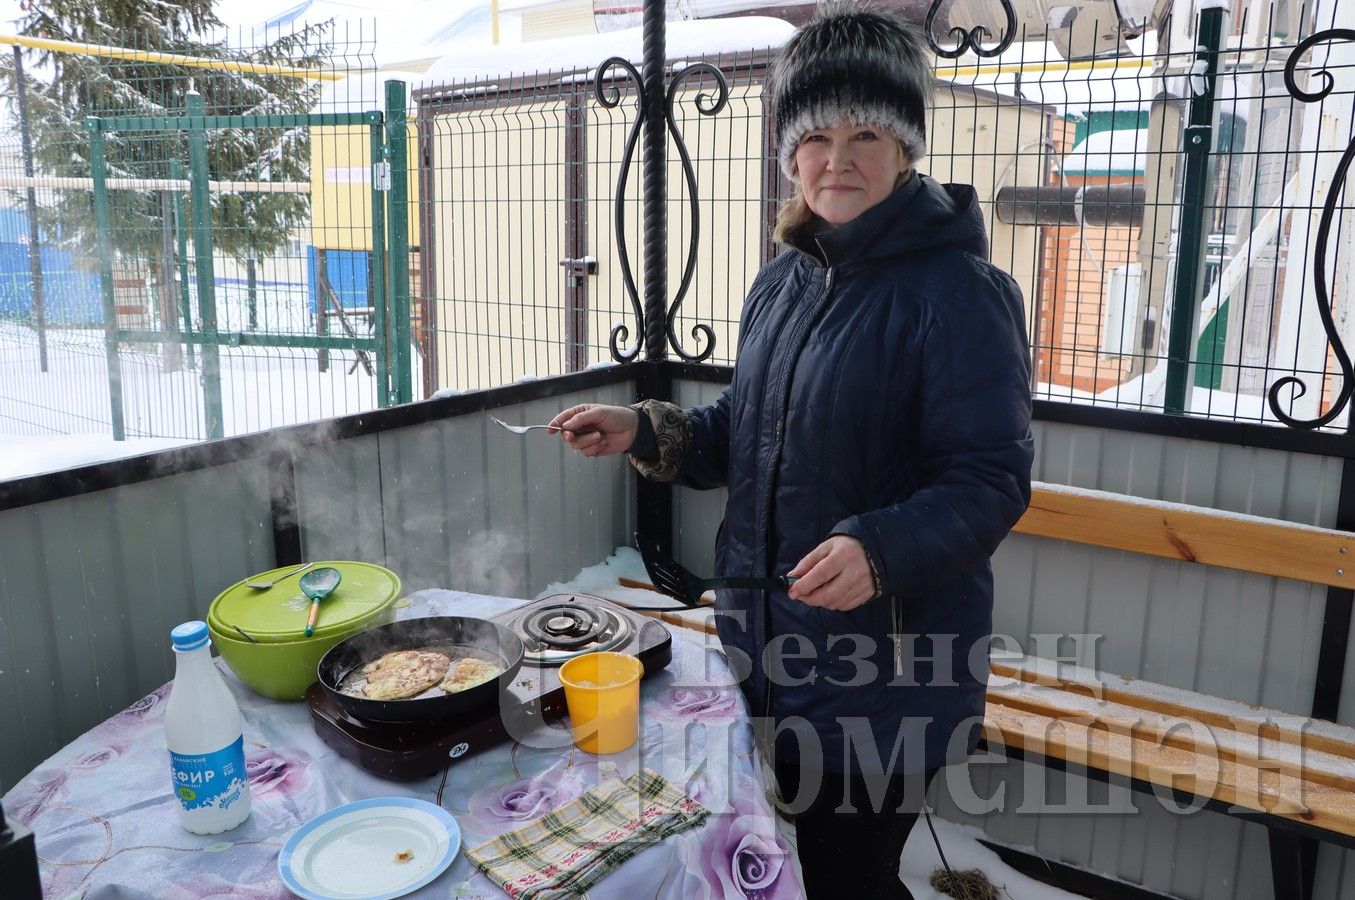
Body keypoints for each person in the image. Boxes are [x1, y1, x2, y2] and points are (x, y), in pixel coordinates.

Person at [550, 5, 1033, 897]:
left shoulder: (961, 296)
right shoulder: (784, 278)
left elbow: (987, 482)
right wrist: (649, 432)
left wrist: (877, 550)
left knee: (850, 877)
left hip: (885, 671)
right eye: (813, 134)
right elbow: (746, 430)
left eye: (865, 133)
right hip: (772, 645)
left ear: (906, 149)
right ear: (787, 151)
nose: (836, 158)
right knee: (795, 855)